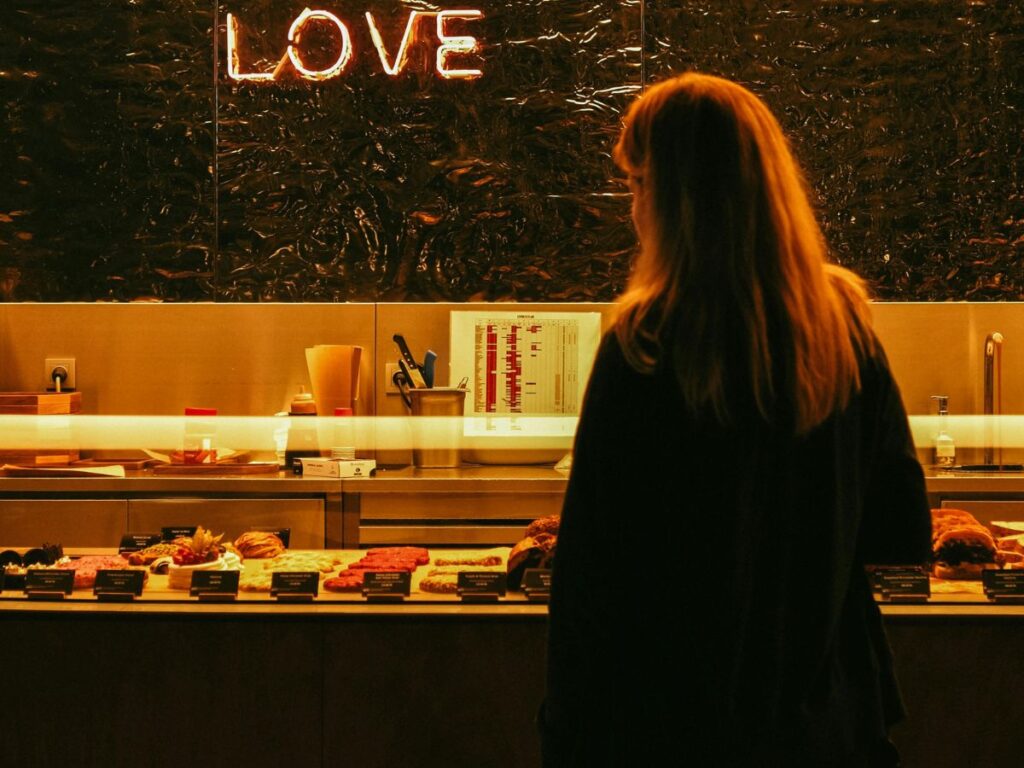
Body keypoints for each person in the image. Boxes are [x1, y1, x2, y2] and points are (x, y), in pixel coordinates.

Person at [539, 73, 931, 767]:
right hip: (827, 720)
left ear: (680, 199)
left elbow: (591, 573)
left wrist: (567, 728)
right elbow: (899, 524)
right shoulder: (842, 329)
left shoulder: (645, 343)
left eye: (638, 185)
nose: (633, 210)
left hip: (675, 723)